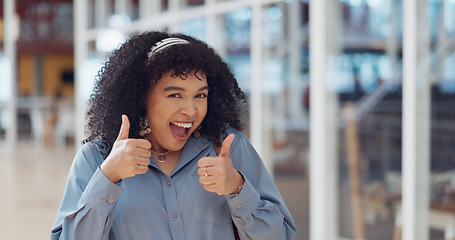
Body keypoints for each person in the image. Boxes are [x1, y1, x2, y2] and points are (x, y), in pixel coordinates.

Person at [51, 31, 297, 240]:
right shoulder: (97, 160)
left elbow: (281, 235)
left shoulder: (230, 150)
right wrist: (108, 178)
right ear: (141, 97)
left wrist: (238, 189)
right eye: (175, 95)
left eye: (200, 95)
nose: (190, 110)